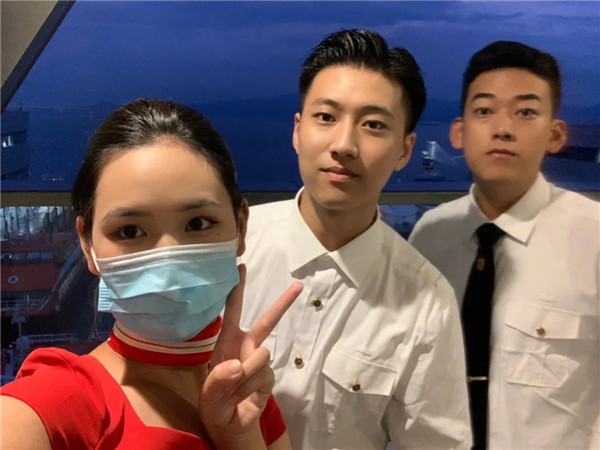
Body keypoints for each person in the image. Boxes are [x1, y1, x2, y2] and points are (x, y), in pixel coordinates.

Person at [0, 98, 303, 449]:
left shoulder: (249, 394)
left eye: (198, 223)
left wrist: (240, 436)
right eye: (129, 231)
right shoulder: (60, 404)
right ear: (87, 244)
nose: (168, 263)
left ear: (241, 227)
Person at [236, 29, 472, 449]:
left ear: (405, 150)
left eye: (374, 125)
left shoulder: (426, 302)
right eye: (326, 117)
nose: (344, 144)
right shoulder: (233, 248)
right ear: (297, 131)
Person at [409, 41, 600, 449]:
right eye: (484, 111)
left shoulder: (593, 237)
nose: (503, 128)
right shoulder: (430, 235)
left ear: (556, 135)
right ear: (459, 132)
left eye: (525, 112)